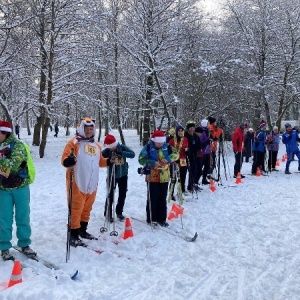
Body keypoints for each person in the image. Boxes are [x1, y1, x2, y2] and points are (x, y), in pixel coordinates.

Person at [61, 117, 108, 247]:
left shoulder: (96, 145)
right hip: (77, 180)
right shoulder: (74, 143)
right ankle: (73, 234)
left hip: (92, 183)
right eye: (86, 129)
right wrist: (68, 161)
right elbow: (65, 158)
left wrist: (109, 161)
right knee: (76, 207)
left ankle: (82, 230)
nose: (88, 131)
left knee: (87, 207)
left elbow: (100, 161)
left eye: (91, 129)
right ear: (81, 128)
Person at [0, 120, 36, 261]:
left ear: (5, 133)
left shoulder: (18, 145)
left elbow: (14, 164)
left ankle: (24, 244)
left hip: (20, 188)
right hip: (3, 189)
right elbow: (7, 166)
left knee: (23, 217)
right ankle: (4, 247)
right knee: (4, 219)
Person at [138, 130, 179, 227]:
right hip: (152, 176)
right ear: (154, 140)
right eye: (158, 142)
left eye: (161, 142)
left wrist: (168, 159)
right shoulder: (148, 147)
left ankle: (162, 219)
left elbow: (176, 154)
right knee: (153, 197)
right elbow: (141, 159)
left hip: (164, 177)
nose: (160, 144)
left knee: (162, 198)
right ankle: (152, 218)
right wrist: (152, 162)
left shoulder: (167, 146)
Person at [102, 134, 135, 222]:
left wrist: (122, 153)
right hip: (111, 175)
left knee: (122, 194)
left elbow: (132, 154)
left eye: (113, 146)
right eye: (110, 147)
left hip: (123, 175)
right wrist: (109, 159)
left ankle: (119, 212)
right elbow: (101, 157)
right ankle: (108, 213)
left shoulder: (122, 147)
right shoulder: (107, 151)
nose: (112, 148)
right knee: (110, 195)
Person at [168, 125, 189, 197]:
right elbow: (169, 151)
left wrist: (187, 151)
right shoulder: (172, 140)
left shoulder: (185, 139)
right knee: (174, 178)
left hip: (183, 159)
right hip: (174, 160)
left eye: (181, 131)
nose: (180, 132)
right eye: (179, 131)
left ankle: (182, 190)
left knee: (183, 176)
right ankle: (171, 193)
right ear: (176, 132)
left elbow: (187, 148)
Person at [184, 120, 201, 191]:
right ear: (188, 128)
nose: (192, 129)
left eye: (193, 128)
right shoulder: (185, 136)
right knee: (190, 171)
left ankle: (192, 184)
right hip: (187, 156)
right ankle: (187, 186)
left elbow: (199, 145)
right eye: (190, 128)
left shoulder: (195, 136)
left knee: (196, 170)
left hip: (195, 155)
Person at [200, 119, 211, 184]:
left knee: (207, 166)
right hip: (203, 152)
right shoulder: (202, 132)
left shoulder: (207, 131)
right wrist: (206, 142)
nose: (209, 125)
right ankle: (196, 180)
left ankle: (204, 179)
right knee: (201, 166)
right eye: (208, 124)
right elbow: (201, 141)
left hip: (207, 151)